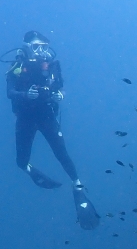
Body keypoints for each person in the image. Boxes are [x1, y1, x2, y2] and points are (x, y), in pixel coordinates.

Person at [6, 31, 99, 230]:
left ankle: (78, 186)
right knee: (21, 161)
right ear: (27, 46)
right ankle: (30, 170)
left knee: (62, 153)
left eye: (44, 47)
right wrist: (25, 94)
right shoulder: (17, 66)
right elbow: (10, 92)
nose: (41, 51)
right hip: (25, 118)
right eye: (36, 46)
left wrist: (60, 96)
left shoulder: (52, 65)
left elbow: (61, 87)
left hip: (46, 114)